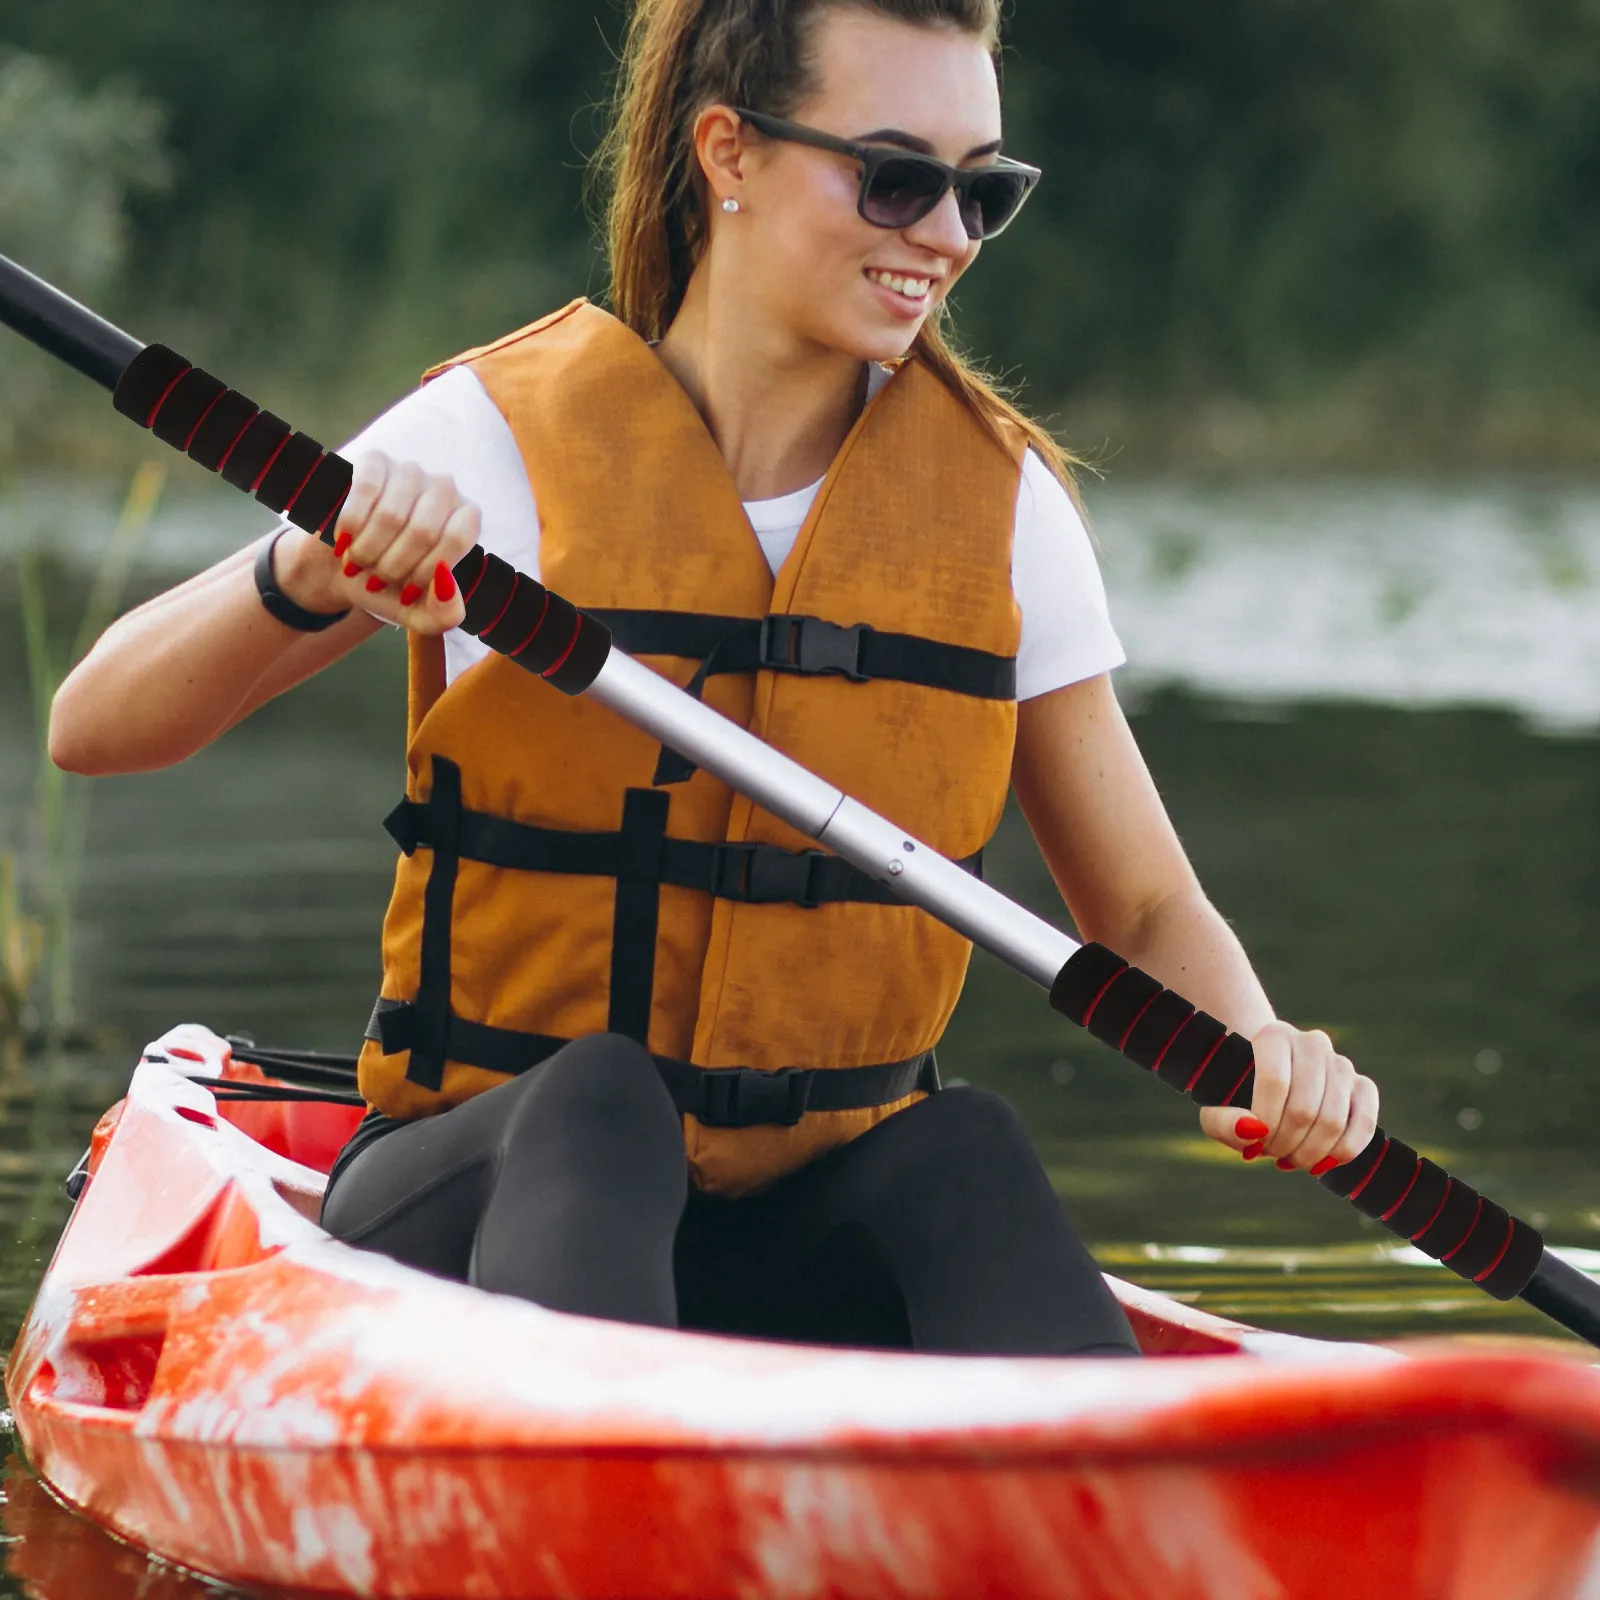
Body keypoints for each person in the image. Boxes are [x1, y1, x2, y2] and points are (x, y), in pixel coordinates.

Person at [49, 0, 1378, 1357]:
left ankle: (1108, 1524)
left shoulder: (1005, 507)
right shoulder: (496, 443)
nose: (946, 235)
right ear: (727, 152)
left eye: (987, 192)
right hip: (476, 1207)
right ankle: (591, 1498)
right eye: (898, 176)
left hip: (793, 1229)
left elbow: (1145, 909)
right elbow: (94, 726)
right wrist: (307, 574)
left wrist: (1260, 1046)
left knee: (963, 1146)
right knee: (601, 1104)